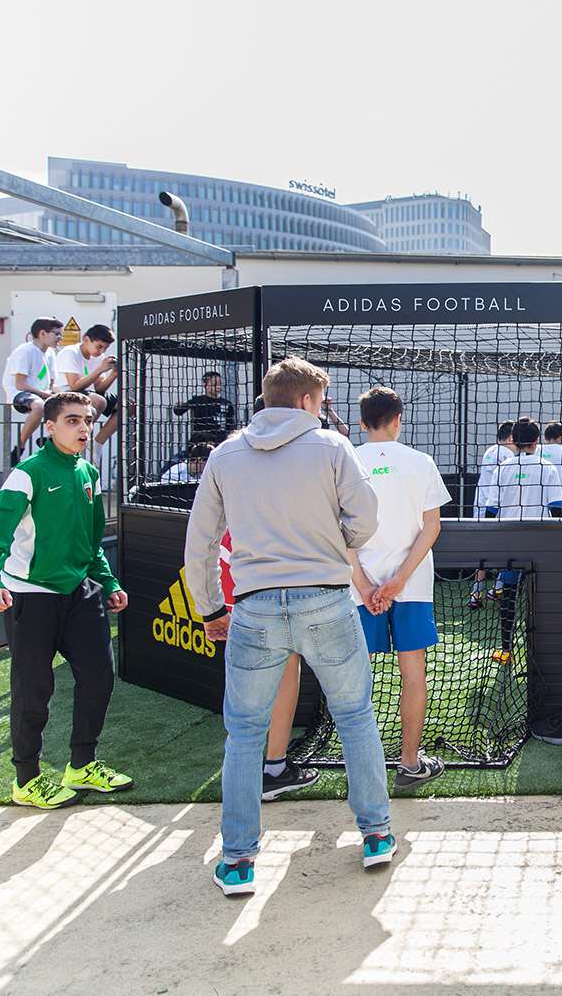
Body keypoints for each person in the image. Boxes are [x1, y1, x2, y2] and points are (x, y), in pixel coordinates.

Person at [185, 356, 392, 896]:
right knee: (355, 716)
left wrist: (209, 608)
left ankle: (237, 861)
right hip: (326, 598)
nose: (322, 410)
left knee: (245, 734)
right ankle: (375, 834)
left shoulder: (226, 453)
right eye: (320, 401)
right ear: (306, 401)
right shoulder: (331, 446)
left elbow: (200, 541)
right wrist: (334, 540)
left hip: (253, 606)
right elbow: (366, 518)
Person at [0, 391, 133, 809]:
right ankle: (26, 779)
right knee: (34, 688)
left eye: (88, 421)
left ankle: (82, 765)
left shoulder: (89, 473)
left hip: (80, 592)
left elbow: (91, 542)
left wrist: (108, 582)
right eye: (73, 421)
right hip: (30, 596)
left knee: (99, 676)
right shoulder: (28, 474)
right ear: (50, 427)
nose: (84, 428)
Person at [349, 387, 451, 789]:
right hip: (410, 587)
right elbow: (433, 525)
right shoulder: (420, 462)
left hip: (360, 588)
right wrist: (399, 581)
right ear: (398, 419)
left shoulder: (347, 459)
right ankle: (410, 763)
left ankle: (362, 769)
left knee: (355, 678)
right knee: (413, 672)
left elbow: (337, 533)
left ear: (361, 422)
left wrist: (366, 583)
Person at [481, 417, 562, 647]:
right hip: (539, 539)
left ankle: (506, 646)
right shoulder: (547, 468)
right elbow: (556, 509)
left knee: (509, 596)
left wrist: (489, 540)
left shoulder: (502, 470)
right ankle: (541, 645)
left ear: (514, 440)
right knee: (539, 594)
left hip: (510, 539)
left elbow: (491, 509)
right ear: (536, 441)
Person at [0, 318, 63, 466]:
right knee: (39, 405)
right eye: (57, 334)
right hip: (19, 394)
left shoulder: (50, 354)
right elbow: (20, 384)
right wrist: (45, 394)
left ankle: (51, 439)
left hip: (42, 394)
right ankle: (20, 447)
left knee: (68, 405)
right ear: (42, 333)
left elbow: (52, 384)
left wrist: (62, 395)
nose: (60, 338)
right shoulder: (25, 351)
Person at [467, 421, 516, 609]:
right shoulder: (506, 454)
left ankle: (477, 594)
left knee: (484, 554)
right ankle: (497, 589)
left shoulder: (490, 450)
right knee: (507, 550)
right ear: (511, 437)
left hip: (482, 506)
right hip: (495, 509)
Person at [53, 324, 121, 447]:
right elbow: (74, 386)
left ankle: (96, 444)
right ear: (86, 340)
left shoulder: (98, 356)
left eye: (105, 349)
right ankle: (75, 435)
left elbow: (99, 388)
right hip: (65, 393)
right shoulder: (71, 352)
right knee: (98, 401)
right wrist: (100, 369)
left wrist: (114, 374)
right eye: (99, 347)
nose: (101, 352)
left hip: (87, 393)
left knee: (128, 406)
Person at [171, 370, 237, 449]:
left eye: (220, 384)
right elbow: (179, 411)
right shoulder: (198, 401)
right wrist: (179, 406)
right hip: (201, 442)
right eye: (214, 385)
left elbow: (231, 426)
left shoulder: (227, 404)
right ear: (205, 385)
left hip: (221, 443)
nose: (218, 387)